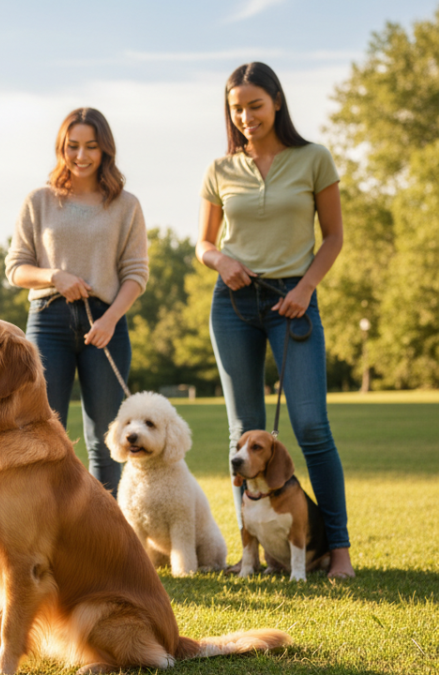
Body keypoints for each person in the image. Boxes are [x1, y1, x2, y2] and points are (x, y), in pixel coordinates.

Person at [196, 62, 354, 579]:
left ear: (277, 103)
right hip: (234, 302)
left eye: (254, 106)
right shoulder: (220, 169)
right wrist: (222, 261)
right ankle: (254, 553)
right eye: (236, 108)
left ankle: (339, 553)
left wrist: (306, 288)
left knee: (311, 426)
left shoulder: (314, 159)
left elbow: (333, 237)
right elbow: (204, 244)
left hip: (294, 300)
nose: (245, 116)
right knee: (242, 433)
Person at [5, 107, 149, 497]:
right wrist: (55, 276)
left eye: (91, 147)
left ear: (105, 151)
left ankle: (105, 539)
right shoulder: (39, 200)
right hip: (47, 322)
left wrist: (111, 320)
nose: (81, 156)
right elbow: (16, 269)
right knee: (40, 434)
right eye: (73, 146)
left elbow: (136, 273)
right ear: (61, 148)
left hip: (105, 323)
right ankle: (43, 531)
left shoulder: (125, 205)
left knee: (106, 438)